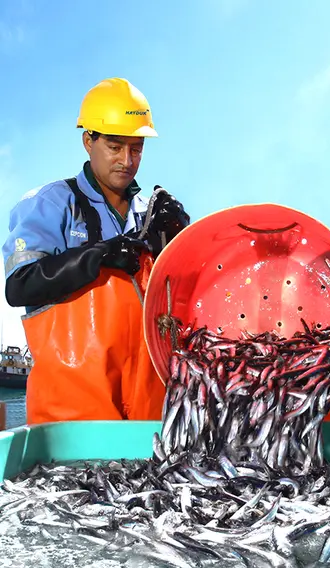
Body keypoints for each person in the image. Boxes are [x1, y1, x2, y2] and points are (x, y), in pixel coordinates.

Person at [3, 77, 190, 425]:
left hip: (149, 414)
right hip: (72, 414)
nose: (127, 160)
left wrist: (178, 238)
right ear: (88, 141)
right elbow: (19, 285)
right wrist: (96, 255)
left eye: (136, 148)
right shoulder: (50, 203)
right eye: (115, 146)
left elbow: (178, 302)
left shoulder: (148, 212)